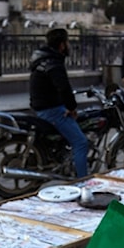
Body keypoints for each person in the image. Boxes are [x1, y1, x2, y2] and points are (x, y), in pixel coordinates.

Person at [29, 28, 89, 178]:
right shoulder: (54, 63)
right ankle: (83, 182)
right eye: (67, 42)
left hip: (43, 106)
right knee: (81, 142)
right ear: (62, 45)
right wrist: (72, 108)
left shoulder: (43, 59)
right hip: (51, 110)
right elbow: (64, 88)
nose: (69, 45)